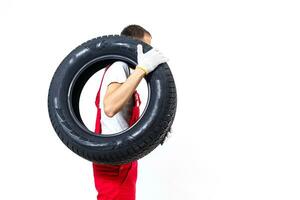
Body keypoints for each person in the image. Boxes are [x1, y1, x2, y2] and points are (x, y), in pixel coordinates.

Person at [92, 25, 168, 200]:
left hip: (123, 156)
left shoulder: (128, 77)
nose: (147, 53)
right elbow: (110, 107)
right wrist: (142, 70)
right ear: (131, 44)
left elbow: (128, 123)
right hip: (113, 159)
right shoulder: (119, 66)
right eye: (145, 47)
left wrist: (158, 130)